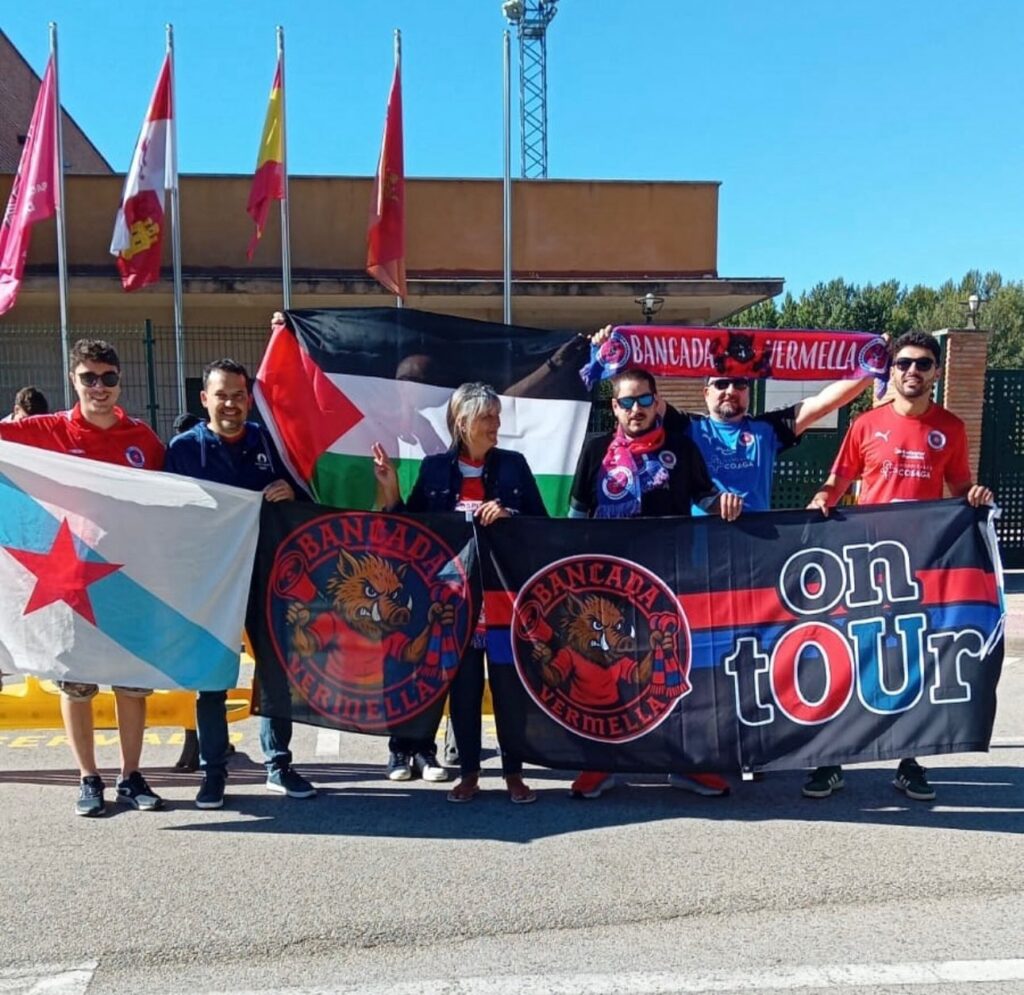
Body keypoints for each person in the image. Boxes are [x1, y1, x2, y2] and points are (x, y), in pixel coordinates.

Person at [805, 331, 994, 801]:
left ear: (935, 372)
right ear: (891, 369)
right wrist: (823, 497)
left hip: (921, 565)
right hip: (865, 564)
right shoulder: (867, 424)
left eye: (924, 364)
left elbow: (960, 487)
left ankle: (910, 761)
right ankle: (832, 760)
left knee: (914, 662)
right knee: (853, 656)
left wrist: (972, 497)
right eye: (905, 362)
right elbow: (839, 477)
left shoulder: (950, 427)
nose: (913, 370)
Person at [0, 340, 165, 817]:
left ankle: (132, 776)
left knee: (132, 682)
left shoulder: (144, 440)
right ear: (73, 380)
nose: (99, 387)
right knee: (77, 683)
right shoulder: (42, 431)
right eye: (88, 377)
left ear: (120, 381)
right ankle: (87, 778)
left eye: (108, 377)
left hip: (133, 579)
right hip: (69, 580)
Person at [567, 367, 742, 800]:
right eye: (626, 402)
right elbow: (575, 516)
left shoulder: (682, 448)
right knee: (612, 675)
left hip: (669, 582)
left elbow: (704, 496)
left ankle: (686, 765)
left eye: (644, 400)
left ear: (656, 401)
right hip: (609, 587)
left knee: (674, 670)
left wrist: (722, 502)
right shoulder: (594, 451)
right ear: (615, 407)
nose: (636, 409)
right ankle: (601, 763)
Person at [373, 381, 548, 804]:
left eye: (497, 416)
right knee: (464, 690)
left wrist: (510, 514)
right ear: (462, 423)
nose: (496, 425)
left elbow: (543, 525)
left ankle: (513, 774)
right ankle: (469, 773)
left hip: (505, 602)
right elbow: (412, 533)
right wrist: (390, 489)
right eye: (488, 417)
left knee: (510, 690)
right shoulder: (434, 470)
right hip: (454, 605)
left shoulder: (514, 466)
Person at [164, 358, 317, 809]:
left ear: (249, 399)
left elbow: (309, 498)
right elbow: (169, 514)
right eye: (222, 395)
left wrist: (293, 493)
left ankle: (279, 764)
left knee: (275, 673)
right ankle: (214, 772)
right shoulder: (183, 449)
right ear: (204, 398)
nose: (230, 403)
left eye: (238, 395)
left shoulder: (272, 443)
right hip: (211, 581)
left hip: (268, 578)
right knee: (211, 677)